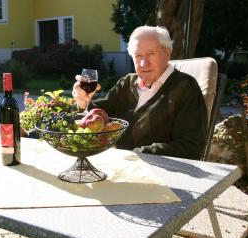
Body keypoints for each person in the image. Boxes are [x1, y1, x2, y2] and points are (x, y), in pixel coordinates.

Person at [73, 25, 208, 160]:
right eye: (138, 55)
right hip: (115, 163)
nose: (144, 63)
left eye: (151, 54)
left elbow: (191, 147)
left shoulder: (185, 88)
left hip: (156, 172)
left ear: (168, 53)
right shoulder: (127, 83)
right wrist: (82, 102)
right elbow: (100, 112)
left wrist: (137, 155)